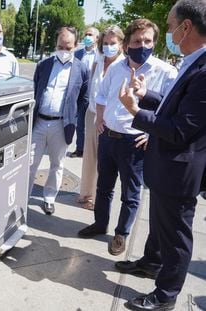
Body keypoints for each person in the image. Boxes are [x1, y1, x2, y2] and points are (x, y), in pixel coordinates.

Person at [116, 1, 206, 310]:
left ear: (186, 27)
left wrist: (135, 111)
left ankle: (165, 296)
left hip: (179, 171)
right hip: (166, 167)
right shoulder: (193, 60)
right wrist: (146, 96)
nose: (167, 31)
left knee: (176, 237)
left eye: (169, 26)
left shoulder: (204, 70)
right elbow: (173, 105)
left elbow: (180, 129)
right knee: (159, 224)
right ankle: (151, 262)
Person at [77, 19, 177, 257]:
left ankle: (121, 233)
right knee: (104, 187)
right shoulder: (115, 68)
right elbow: (101, 96)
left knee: (130, 194)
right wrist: (100, 118)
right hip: (109, 137)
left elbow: (171, 112)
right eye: (137, 41)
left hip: (135, 143)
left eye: (147, 41)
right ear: (127, 44)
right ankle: (100, 224)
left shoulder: (166, 72)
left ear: (154, 42)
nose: (142, 45)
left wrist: (153, 135)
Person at [28, 26, 89, 215]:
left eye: (68, 47)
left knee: (57, 164)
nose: (64, 50)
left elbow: (83, 98)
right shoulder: (44, 65)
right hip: (39, 122)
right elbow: (35, 89)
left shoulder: (81, 69)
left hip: (62, 125)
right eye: (60, 46)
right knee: (30, 163)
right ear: (56, 44)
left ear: (76, 45)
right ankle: (23, 196)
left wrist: (72, 117)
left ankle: (49, 198)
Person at [77, 25, 125, 210]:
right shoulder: (98, 61)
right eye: (105, 43)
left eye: (112, 43)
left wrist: (104, 117)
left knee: (103, 160)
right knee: (89, 155)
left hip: (108, 119)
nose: (108, 46)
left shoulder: (123, 65)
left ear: (121, 43)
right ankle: (85, 193)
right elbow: (92, 89)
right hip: (92, 114)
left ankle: (97, 198)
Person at [70, 27, 100, 158]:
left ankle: (94, 151)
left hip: (96, 94)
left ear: (97, 38)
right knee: (80, 123)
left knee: (95, 124)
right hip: (80, 93)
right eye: (86, 34)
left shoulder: (100, 55)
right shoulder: (77, 54)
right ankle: (80, 149)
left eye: (90, 35)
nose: (87, 37)